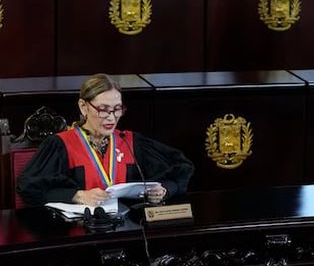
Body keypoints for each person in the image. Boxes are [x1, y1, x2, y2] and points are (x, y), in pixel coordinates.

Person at [17, 74, 194, 207]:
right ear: (83, 107)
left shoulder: (130, 142)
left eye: (117, 109)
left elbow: (182, 167)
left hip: (127, 229)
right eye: (103, 109)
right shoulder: (61, 145)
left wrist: (165, 189)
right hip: (77, 233)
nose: (111, 118)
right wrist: (77, 195)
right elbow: (28, 188)